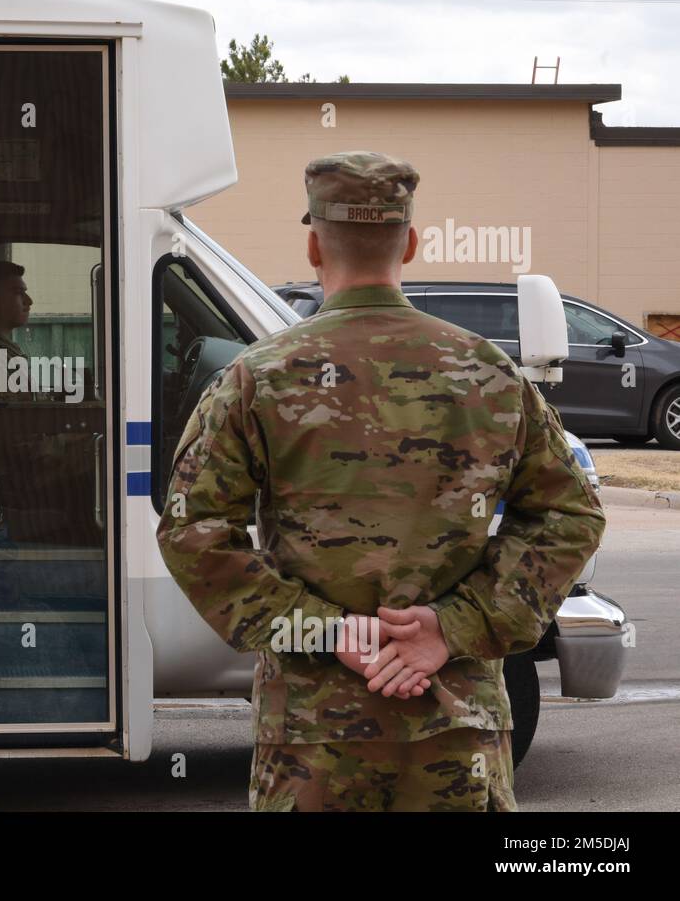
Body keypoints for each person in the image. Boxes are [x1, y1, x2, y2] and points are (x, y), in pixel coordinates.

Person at [156, 152, 606, 811]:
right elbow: (572, 515)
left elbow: (191, 529)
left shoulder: (257, 379)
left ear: (313, 244)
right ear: (412, 242)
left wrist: (325, 630)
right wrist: (449, 627)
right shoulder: (491, 375)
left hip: (312, 744)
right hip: (457, 739)